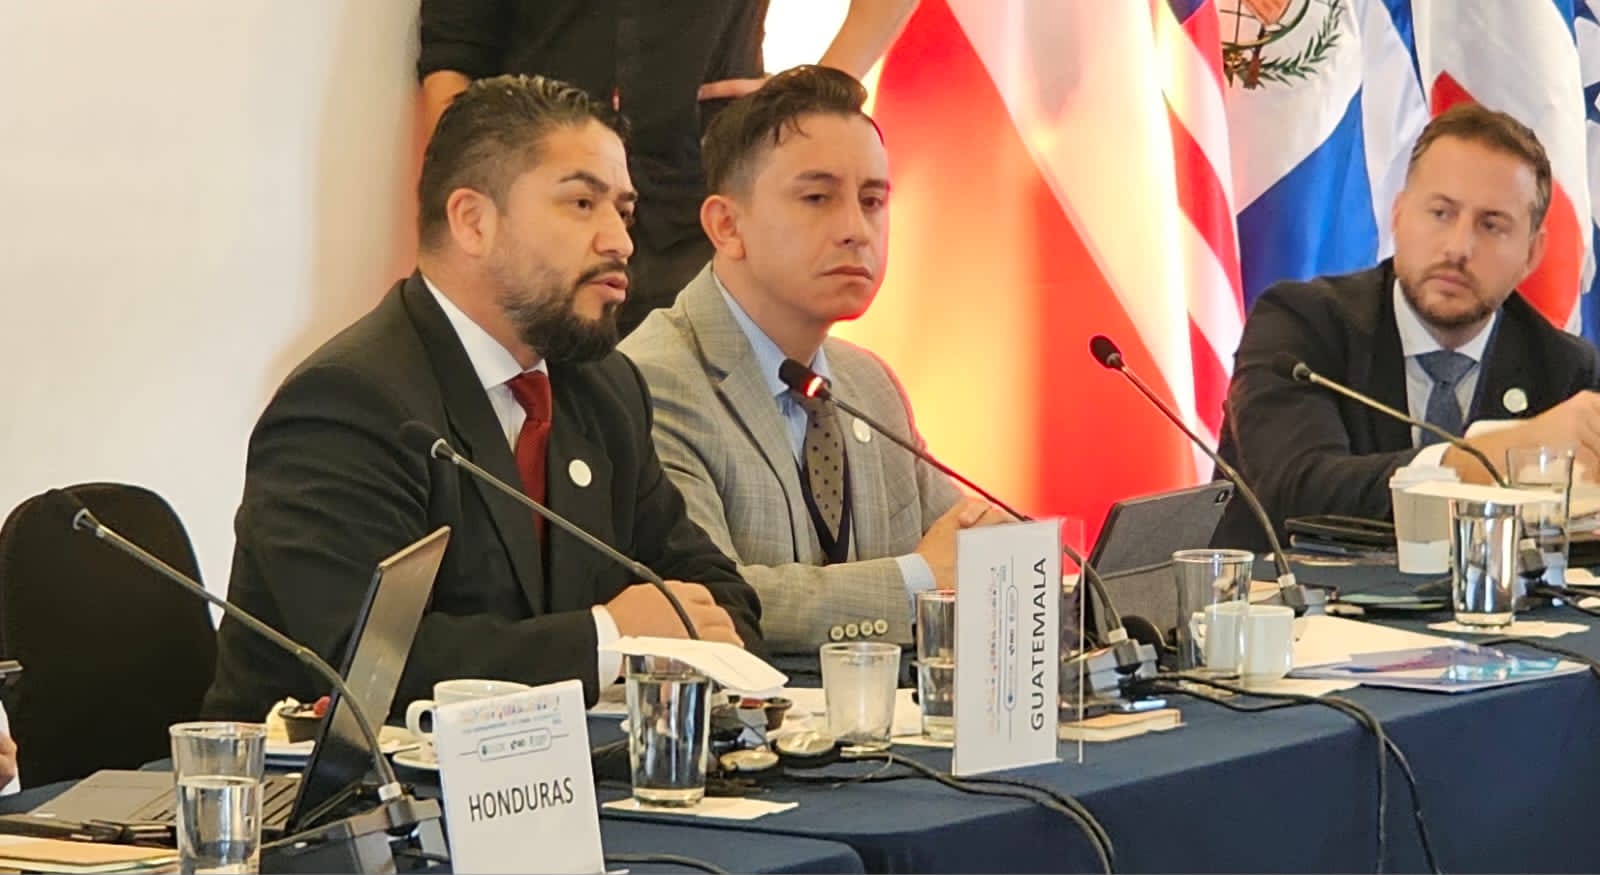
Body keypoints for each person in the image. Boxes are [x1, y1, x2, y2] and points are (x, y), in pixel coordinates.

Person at [204, 75, 762, 721]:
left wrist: (675, 634)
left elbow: (716, 593)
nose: (620, 241)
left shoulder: (604, 388)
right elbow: (368, 661)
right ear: (472, 221)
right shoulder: (346, 404)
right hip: (319, 779)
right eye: (583, 203)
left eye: (624, 211)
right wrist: (607, 639)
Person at [619, 66, 992, 667]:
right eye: (817, 198)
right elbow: (711, 602)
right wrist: (919, 580)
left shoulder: (868, 383)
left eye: (872, 201)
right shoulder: (652, 381)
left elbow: (964, 546)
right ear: (726, 226)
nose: (856, 231)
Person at [1213, 102, 1600, 551]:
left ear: (1532, 254)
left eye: (1492, 225)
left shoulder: (1564, 368)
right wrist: (1493, 458)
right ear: (1398, 215)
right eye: (1440, 213)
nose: (1458, 247)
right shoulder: (1299, 323)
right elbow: (1297, 490)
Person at [417, 0, 922, 336]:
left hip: (700, 213)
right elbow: (453, 53)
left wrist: (810, 95)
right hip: (541, 214)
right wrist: (479, 201)